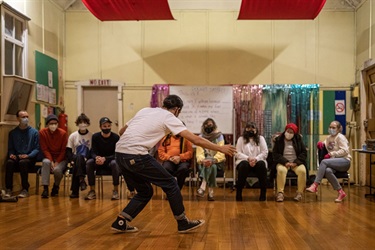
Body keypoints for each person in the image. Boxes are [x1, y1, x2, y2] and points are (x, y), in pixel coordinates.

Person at [112, 95, 236, 234]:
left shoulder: (144, 111)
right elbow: (195, 139)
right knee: (171, 183)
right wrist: (220, 148)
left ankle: (121, 221)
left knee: (145, 191)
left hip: (119, 154)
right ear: (177, 110)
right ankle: (182, 222)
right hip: (136, 154)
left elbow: (121, 131)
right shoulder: (169, 117)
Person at [306, 120, 351, 202]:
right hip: (334, 162)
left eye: (333, 127)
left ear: (338, 129)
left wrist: (331, 154)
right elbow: (325, 144)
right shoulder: (329, 138)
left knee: (323, 162)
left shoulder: (340, 137)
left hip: (344, 161)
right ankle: (340, 192)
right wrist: (321, 144)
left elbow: (345, 151)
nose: (331, 129)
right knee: (327, 171)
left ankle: (315, 184)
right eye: (330, 127)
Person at [4, 110, 40, 198]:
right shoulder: (13, 133)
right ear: (18, 119)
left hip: (29, 158)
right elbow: (11, 148)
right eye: (23, 117)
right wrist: (11, 154)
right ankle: (8, 189)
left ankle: (25, 189)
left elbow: (37, 149)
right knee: (9, 163)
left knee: (23, 162)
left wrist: (28, 155)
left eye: (27, 117)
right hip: (17, 156)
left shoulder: (34, 132)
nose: (26, 119)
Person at [85, 117, 121, 200]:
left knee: (115, 163)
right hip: (98, 161)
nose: (107, 128)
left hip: (109, 161)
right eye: (104, 126)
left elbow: (116, 154)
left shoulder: (116, 137)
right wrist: (96, 158)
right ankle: (92, 191)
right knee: (89, 162)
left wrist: (105, 158)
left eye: (109, 126)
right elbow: (92, 151)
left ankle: (115, 190)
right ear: (100, 127)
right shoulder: (95, 136)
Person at [273, 123, 307, 202]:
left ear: (294, 134)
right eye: (288, 131)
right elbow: (275, 154)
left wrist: (296, 162)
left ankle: (299, 193)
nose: (289, 134)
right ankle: (280, 193)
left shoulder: (298, 139)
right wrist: (285, 162)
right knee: (281, 171)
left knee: (302, 171)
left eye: (291, 132)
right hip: (283, 163)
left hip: (296, 163)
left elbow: (304, 153)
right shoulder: (279, 140)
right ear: (285, 131)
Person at [235, 122, 268, 201]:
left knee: (261, 165)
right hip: (244, 161)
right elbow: (237, 153)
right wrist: (248, 158)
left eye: (253, 128)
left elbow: (265, 152)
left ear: (256, 130)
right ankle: (239, 193)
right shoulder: (241, 139)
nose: (251, 130)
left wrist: (256, 159)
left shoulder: (261, 139)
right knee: (244, 165)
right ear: (245, 130)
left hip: (258, 161)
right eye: (248, 128)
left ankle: (263, 194)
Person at [195, 118, 226, 201]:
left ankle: (203, 186)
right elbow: (199, 153)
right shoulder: (200, 137)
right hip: (204, 163)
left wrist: (213, 160)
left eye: (210, 125)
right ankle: (210, 191)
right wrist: (203, 160)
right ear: (203, 126)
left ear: (214, 126)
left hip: (217, 161)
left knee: (213, 165)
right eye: (206, 124)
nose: (208, 126)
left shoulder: (219, 136)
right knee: (212, 167)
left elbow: (221, 152)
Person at [39, 114, 68, 198]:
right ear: (47, 124)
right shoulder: (42, 133)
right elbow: (44, 149)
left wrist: (57, 162)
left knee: (57, 170)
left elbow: (63, 150)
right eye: (51, 123)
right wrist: (51, 160)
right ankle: (45, 188)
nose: (53, 125)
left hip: (61, 158)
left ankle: (56, 186)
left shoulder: (63, 133)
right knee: (45, 162)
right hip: (49, 156)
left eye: (55, 123)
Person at [66, 113, 92, 198]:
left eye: (84, 122)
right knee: (79, 158)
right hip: (75, 158)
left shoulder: (92, 136)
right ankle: (81, 180)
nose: (82, 124)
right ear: (77, 124)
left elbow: (92, 150)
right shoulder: (73, 136)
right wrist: (71, 161)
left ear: (87, 123)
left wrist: (86, 159)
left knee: (76, 166)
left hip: (87, 159)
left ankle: (75, 191)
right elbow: (69, 151)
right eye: (80, 122)